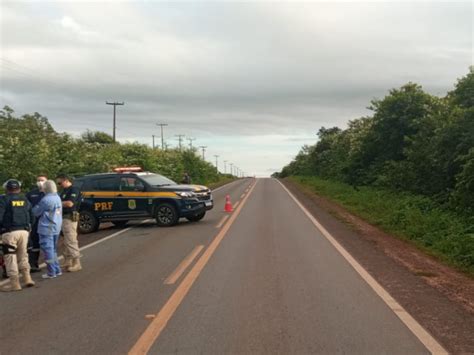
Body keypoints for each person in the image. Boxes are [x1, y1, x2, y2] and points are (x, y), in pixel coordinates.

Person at [0, 179, 35, 291]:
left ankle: (15, 284)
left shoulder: (3, 200)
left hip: (9, 232)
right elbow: (32, 215)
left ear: (7, 189)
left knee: (10, 258)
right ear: (19, 188)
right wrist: (29, 227)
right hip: (24, 232)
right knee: (23, 255)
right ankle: (27, 278)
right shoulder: (24, 199)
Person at [32, 180, 62, 279]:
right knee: (53, 250)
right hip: (56, 226)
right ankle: (57, 270)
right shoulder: (57, 197)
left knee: (48, 250)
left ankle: (51, 272)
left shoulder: (46, 199)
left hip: (47, 227)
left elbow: (36, 212)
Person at [56, 174, 82, 272]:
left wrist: (56, 203)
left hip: (70, 217)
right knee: (66, 240)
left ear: (66, 180)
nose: (59, 185)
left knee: (71, 240)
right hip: (63, 218)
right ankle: (68, 260)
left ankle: (77, 262)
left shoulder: (74, 189)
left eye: (60, 182)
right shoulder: (63, 191)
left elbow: (70, 203)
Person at [26, 174, 47, 272]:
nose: (40, 182)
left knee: (49, 244)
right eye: (38, 180)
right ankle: (33, 265)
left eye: (42, 180)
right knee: (34, 244)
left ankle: (52, 265)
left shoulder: (51, 193)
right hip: (35, 223)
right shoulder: (31, 194)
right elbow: (26, 208)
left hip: (47, 223)